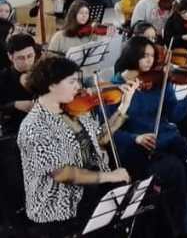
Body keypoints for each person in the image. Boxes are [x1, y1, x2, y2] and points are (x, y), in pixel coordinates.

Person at [17, 56, 133, 236]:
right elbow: (63, 173)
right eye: (72, 81)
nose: (78, 87)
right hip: (58, 210)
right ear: (52, 85)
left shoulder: (76, 110)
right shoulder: (34, 126)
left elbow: (100, 139)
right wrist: (110, 176)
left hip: (90, 193)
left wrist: (123, 107)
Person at [112, 36, 187, 235]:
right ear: (131, 55)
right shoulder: (116, 87)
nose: (150, 60)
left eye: (152, 55)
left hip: (169, 138)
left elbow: (174, 115)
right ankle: (185, 229)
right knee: (174, 169)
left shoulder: (159, 81)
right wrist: (135, 138)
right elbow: (110, 132)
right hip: (138, 148)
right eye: (145, 55)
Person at [0, 34, 38, 136]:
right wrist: (14, 105)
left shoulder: (44, 74)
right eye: (20, 58)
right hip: (14, 131)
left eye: (30, 56)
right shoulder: (3, 77)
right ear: (10, 56)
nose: (26, 62)